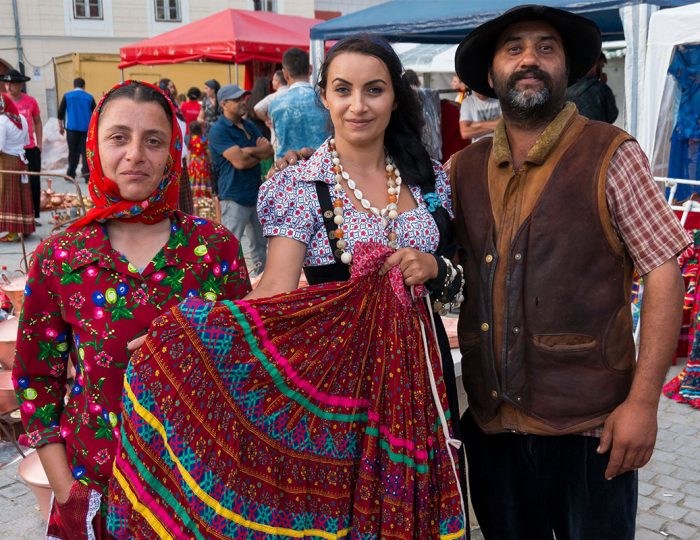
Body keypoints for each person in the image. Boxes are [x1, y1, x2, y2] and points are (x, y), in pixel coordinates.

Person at [107, 35, 466, 540]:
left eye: (374, 90)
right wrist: (188, 337)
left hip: (421, 375)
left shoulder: (430, 178)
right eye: (343, 90)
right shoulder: (297, 183)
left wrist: (434, 266)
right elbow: (275, 285)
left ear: (395, 97)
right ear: (324, 96)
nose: (358, 105)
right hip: (341, 384)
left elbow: (457, 276)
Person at [450, 6, 689, 539]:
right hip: (492, 427)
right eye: (513, 48)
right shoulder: (462, 167)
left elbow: (664, 272)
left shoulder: (611, 153)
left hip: (590, 432)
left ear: (568, 69)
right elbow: (420, 248)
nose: (530, 59)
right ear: (491, 75)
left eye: (546, 48)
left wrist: (644, 403)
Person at [12, 80, 251, 539]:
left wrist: (200, 337)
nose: (135, 154)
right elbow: (35, 382)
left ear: (173, 151)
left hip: (203, 485)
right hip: (99, 485)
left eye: (153, 140)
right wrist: (67, 491)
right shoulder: (61, 257)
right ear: (96, 145)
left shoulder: (214, 248)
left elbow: (246, 364)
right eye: (119, 137)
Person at [208, 84, 273, 276]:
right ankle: (228, 283)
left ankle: (261, 282)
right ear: (224, 104)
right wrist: (255, 152)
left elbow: (269, 151)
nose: (242, 102)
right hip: (233, 195)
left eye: (243, 98)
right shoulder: (218, 130)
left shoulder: (249, 126)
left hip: (254, 193)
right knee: (230, 245)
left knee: (260, 246)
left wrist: (247, 151)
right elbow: (240, 162)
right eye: (237, 100)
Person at [268, 48, 331, 158]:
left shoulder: (275, 104)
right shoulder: (326, 100)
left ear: (285, 74)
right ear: (310, 69)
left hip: (287, 168)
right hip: (323, 166)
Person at [1, 69, 42, 222]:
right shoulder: (2, 101)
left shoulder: (30, 101)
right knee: (11, 184)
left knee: (33, 181)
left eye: (13, 84)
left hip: (29, 147)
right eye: (7, 83)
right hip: (8, 150)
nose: (10, 87)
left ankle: (34, 215)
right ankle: (13, 218)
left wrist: (39, 142)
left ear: (21, 85)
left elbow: (37, 121)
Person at [0, 93, 33, 242]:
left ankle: (13, 231)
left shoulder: (2, 121)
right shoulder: (22, 119)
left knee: (8, 196)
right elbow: (26, 141)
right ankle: (24, 229)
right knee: (22, 194)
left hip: (8, 161)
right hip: (22, 161)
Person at [58, 77, 96, 181]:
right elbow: (95, 113)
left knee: (73, 152)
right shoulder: (89, 97)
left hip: (72, 129)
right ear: (84, 86)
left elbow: (60, 112)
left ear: (74, 85)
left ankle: (71, 174)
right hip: (85, 129)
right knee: (86, 153)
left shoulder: (67, 96)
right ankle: (87, 175)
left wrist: (60, 126)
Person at [566, 51, 619, 124]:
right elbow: (612, 115)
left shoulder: (564, 87)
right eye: (601, 66)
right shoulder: (601, 88)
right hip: (598, 133)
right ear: (594, 64)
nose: (601, 70)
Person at [253, 69, 289, 158]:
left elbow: (257, 108)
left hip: (278, 138)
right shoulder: (295, 93)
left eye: (273, 80)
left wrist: (267, 119)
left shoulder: (273, 97)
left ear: (277, 81)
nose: (272, 82)